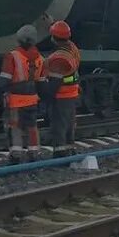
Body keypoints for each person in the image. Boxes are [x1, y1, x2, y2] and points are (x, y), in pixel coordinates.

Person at [0, 25, 45, 163]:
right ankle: (34, 153)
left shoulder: (13, 56)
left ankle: (16, 155)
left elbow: (4, 79)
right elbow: (41, 82)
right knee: (32, 126)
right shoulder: (40, 58)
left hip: (15, 101)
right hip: (32, 100)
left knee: (14, 126)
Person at [44, 20, 80, 157]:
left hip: (62, 95)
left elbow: (55, 82)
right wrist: (52, 22)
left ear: (53, 38)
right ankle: (70, 150)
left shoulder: (59, 58)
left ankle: (60, 154)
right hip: (72, 93)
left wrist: (46, 96)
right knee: (69, 124)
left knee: (59, 126)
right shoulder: (72, 47)